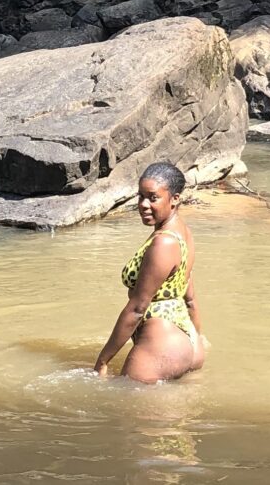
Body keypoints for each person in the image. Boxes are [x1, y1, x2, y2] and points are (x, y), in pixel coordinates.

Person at [93, 161, 207, 383]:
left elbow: (137, 309)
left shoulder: (163, 244)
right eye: (140, 196)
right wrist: (199, 338)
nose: (143, 204)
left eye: (153, 198)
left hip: (162, 347)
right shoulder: (183, 233)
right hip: (186, 342)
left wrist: (102, 361)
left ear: (175, 199)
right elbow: (190, 298)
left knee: (125, 415)